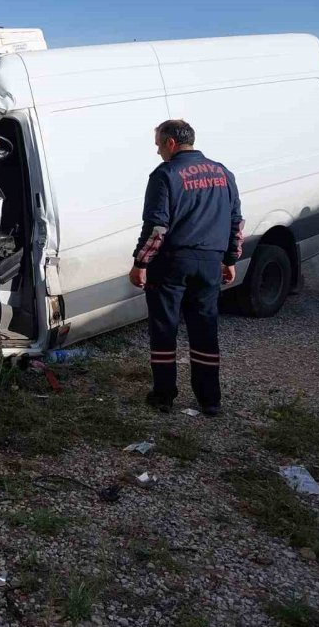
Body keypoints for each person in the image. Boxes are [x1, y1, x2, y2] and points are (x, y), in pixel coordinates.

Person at [128, 119, 244, 415]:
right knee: (205, 328)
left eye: (158, 145)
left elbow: (157, 226)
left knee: (164, 327)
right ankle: (210, 400)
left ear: (170, 143)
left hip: (171, 263)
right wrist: (230, 259)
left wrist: (140, 263)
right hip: (209, 263)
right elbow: (236, 222)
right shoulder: (223, 172)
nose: (157, 152)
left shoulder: (165, 175)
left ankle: (164, 396)